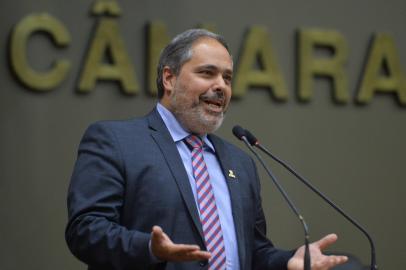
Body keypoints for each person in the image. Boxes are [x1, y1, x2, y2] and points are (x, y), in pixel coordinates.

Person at [65, 29, 348, 270]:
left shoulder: (241, 162)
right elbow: (86, 231)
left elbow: (255, 252)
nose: (220, 86)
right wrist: (150, 248)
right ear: (169, 78)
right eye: (207, 73)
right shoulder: (116, 141)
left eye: (227, 78)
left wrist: (287, 261)